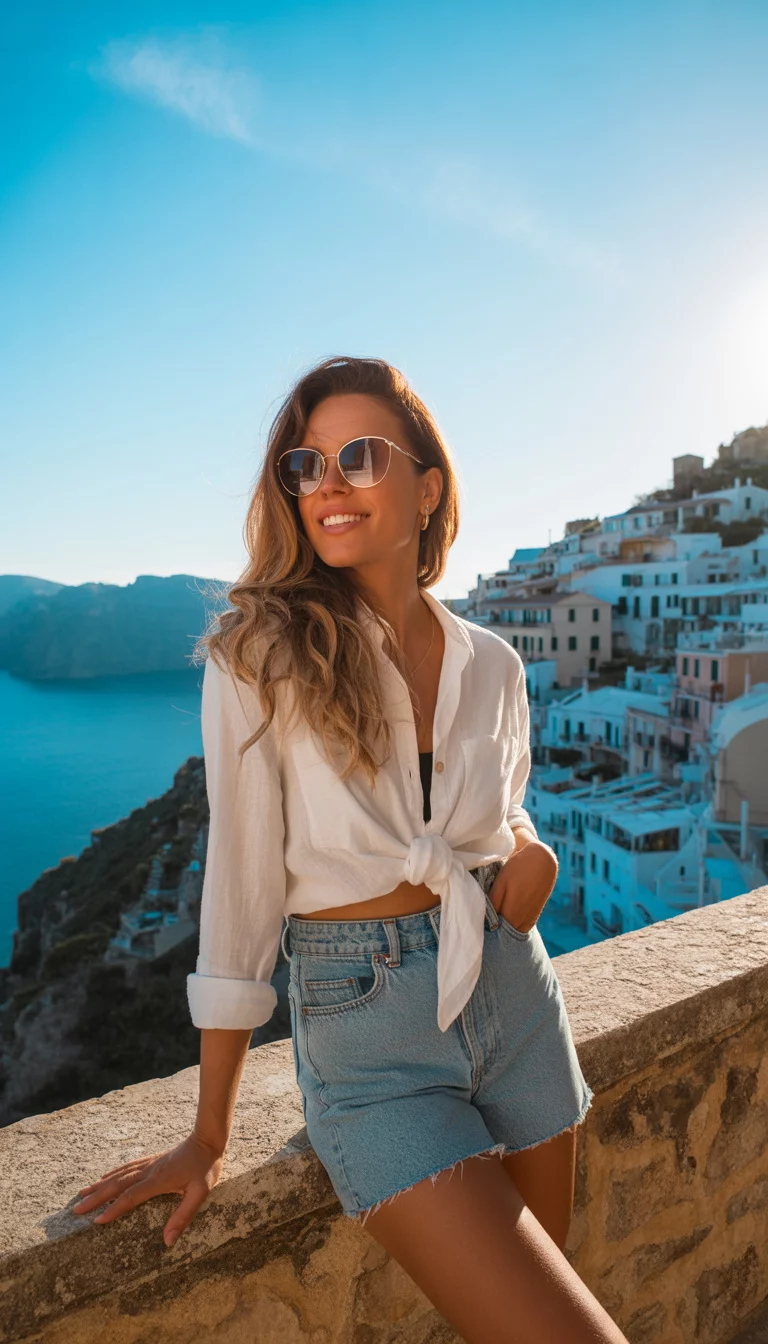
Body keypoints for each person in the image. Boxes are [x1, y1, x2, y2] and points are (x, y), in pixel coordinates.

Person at [73, 355, 629, 1343]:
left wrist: (535, 850)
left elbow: (496, 809)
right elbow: (240, 895)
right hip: (367, 1037)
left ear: (427, 488)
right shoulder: (260, 656)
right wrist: (209, 1134)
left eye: (359, 457)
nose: (327, 482)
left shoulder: (495, 663)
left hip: (512, 991)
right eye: (306, 463)